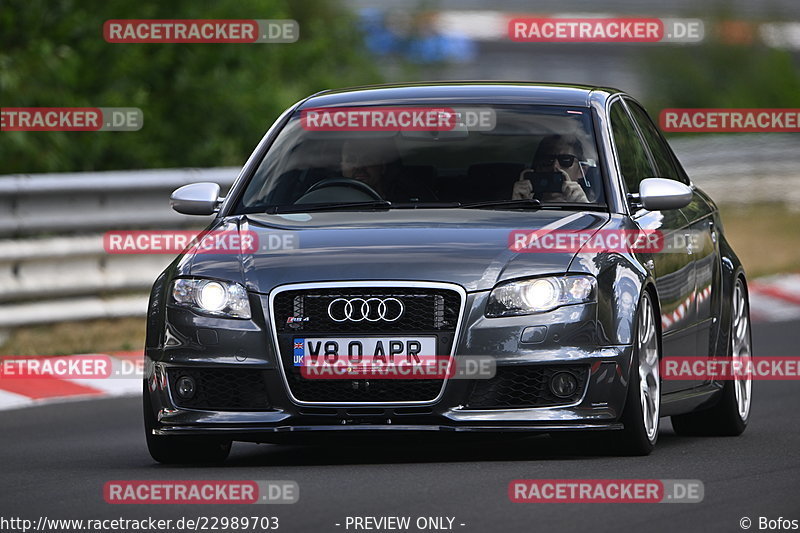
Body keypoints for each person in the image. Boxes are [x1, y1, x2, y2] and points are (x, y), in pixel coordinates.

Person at [339, 138, 436, 202]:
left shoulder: (406, 203)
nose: (359, 166)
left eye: (367, 159)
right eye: (351, 160)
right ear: (341, 166)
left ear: (382, 167)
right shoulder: (326, 202)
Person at [512, 134, 593, 203]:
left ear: (582, 171)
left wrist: (583, 206)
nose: (555, 166)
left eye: (565, 160)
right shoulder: (524, 204)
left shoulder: (596, 209)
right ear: (538, 167)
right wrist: (519, 206)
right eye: (547, 160)